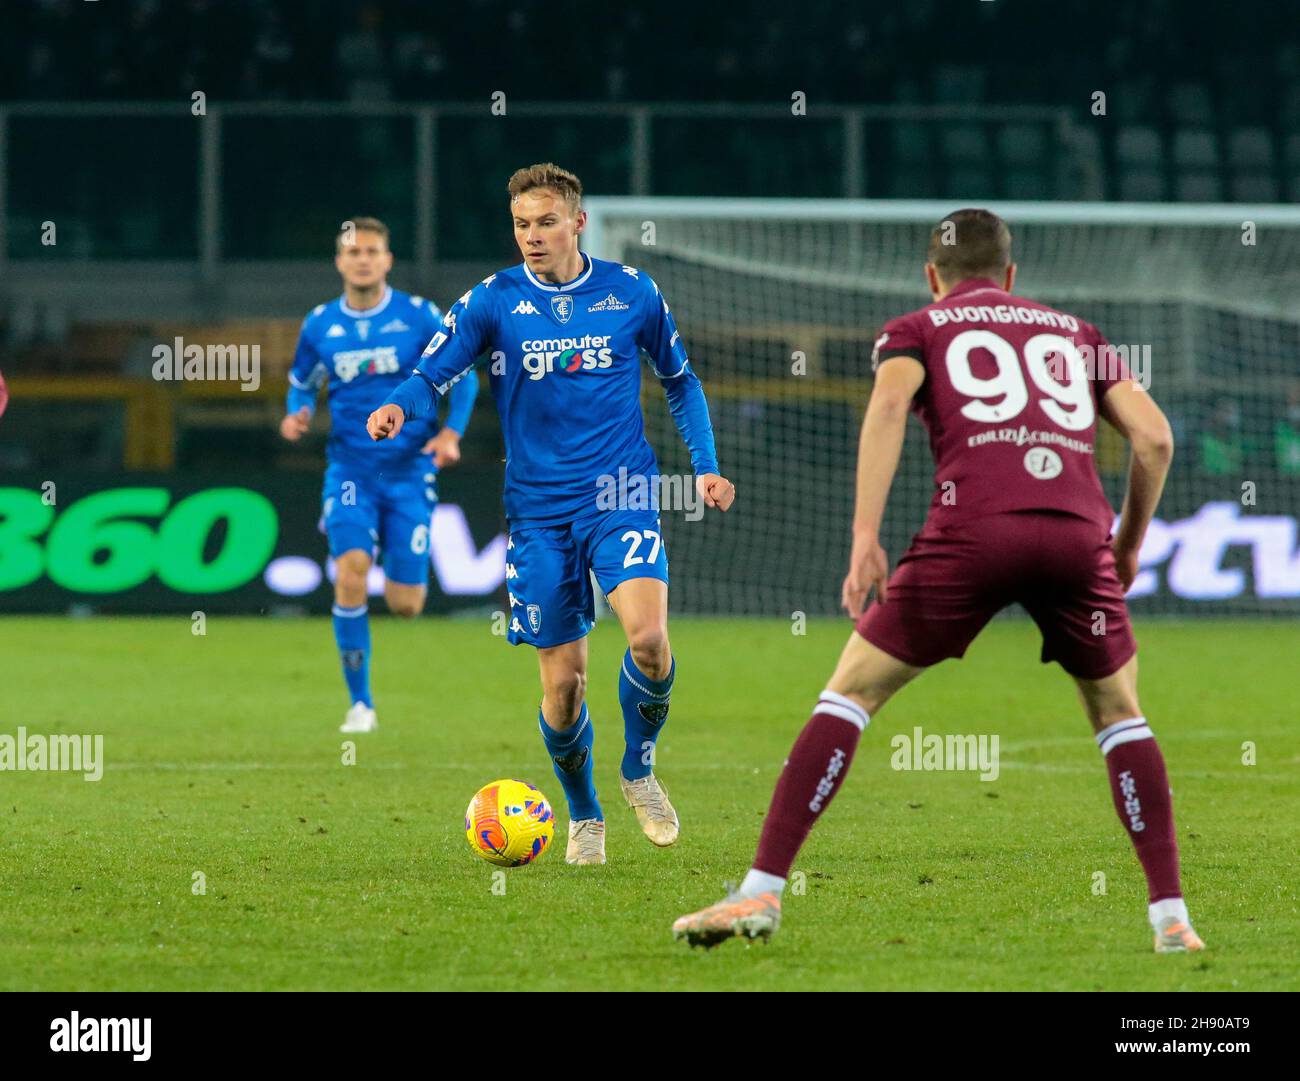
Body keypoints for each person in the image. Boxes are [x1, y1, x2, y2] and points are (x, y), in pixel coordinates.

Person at [673, 208, 1203, 954]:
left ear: (932, 277)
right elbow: (1154, 437)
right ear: (1012, 275)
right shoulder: (1076, 332)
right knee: (1120, 712)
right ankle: (1171, 918)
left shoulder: (916, 328)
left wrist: (864, 538)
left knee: (851, 692)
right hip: (1077, 535)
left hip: (972, 533)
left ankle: (759, 891)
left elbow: (889, 406)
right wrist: (1125, 543)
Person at [368, 164, 734, 865]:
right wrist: (398, 405)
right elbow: (429, 376)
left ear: (577, 222)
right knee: (564, 688)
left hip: (622, 492)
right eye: (521, 225)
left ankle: (638, 767)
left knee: (650, 639)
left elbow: (680, 380)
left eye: (544, 222)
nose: (531, 236)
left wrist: (707, 466)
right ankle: (584, 813)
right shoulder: (493, 300)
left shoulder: (631, 292)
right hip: (537, 509)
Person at [282, 217, 478, 733]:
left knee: (406, 604)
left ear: (387, 260)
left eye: (372, 251)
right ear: (340, 261)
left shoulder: (418, 316)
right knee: (350, 568)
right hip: (350, 468)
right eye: (353, 251)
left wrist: (451, 434)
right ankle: (360, 704)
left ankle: (397, 558)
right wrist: (297, 411)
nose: (363, 259)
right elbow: (302, 382)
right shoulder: (320, 324)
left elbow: (465, 377)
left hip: (411, 470)